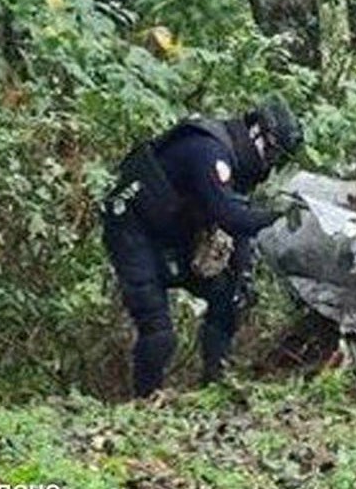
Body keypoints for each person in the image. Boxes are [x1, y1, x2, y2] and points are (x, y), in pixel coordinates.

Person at [100, 97, 303, 397]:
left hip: (172, 233)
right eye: (273, 153)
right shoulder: (209, 151)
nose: (272, 163)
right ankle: (143, 404)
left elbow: (238, 223)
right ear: (258, 135)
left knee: (230, 297)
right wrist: (280, 215)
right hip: (133, 231)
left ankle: (214, 384)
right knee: (159, 334)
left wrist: (242, 273)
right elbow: (231, 217)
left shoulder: (236, 161)